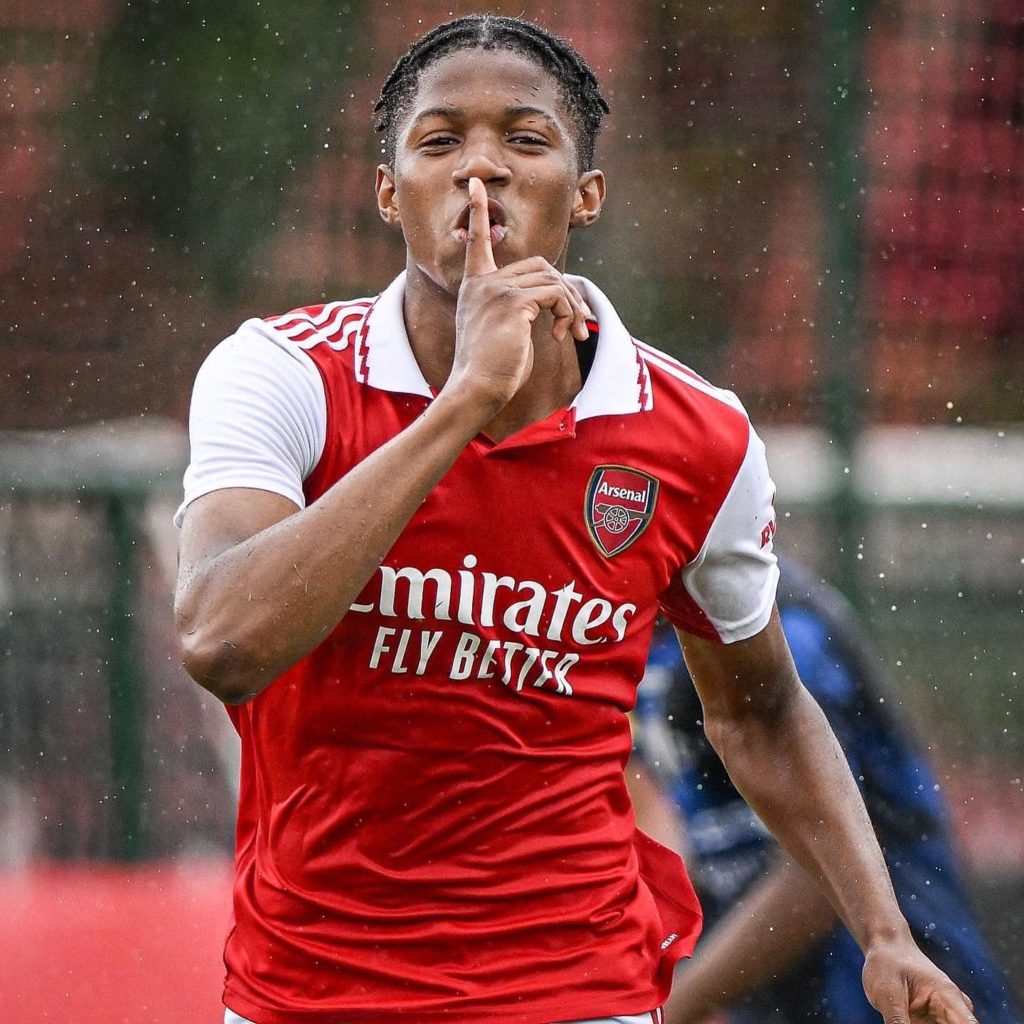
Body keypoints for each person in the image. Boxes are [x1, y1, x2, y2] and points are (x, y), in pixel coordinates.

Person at [173, 14, 978, 1024]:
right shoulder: (282, 374)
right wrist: (463, 402)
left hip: (573, 988)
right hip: (310, 987)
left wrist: (884, 932)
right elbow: (221, 638)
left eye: (522, 139)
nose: (479, 171)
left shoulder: (694, 434)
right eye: (437, 141)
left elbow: (760, 711)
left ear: (583, 193)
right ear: (388, 191)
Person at [632, 559, 1020, 1024]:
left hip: (897, 996)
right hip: (777, 1001)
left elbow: (816, 877)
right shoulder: (628, 637)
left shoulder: (778, 630)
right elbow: (691, 840)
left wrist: (673, 1003)